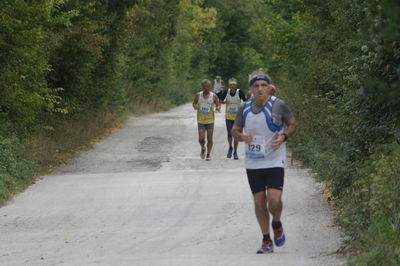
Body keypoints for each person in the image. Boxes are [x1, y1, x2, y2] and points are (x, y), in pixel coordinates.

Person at [232, 69, 297, 254]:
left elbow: (293, 124)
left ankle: (277, 222)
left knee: (273, 202)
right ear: (250, 89)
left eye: (263, 86)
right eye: (256, 86)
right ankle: (266, 239)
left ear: (269, 88)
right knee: (260, 202)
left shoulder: (279, 105)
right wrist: (242, 137)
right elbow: (235, 131)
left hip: (275, 160)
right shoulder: (244, 108)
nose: (260, 89)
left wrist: (283, 136)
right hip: (253, 163)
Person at [192, 79, 221, 161]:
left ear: (210, 86)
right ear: (202, 87)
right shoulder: (198, 95)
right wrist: (195, 106)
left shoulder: (214, 96)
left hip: (210, 120)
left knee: (210, 138)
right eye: (204, 87)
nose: (206, 88)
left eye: (208, 86)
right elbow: (194, 103)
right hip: (201, 120)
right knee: (201, 139)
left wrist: (218, 108)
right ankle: (203, 147)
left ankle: (208, 154)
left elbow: (218, 104)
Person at [221, 78, 246, 160]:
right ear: (229, 85)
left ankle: (235, 151)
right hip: (228, 116)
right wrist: (224, 102)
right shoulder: (226, 92)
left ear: (236, 85)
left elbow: (246, 102)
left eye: (233, 85)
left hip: (237, 118)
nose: (232, 86)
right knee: (229, 134)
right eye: (231, 85)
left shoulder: (240, 92)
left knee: (236, 135)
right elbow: (220, 101)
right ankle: (230, 147)